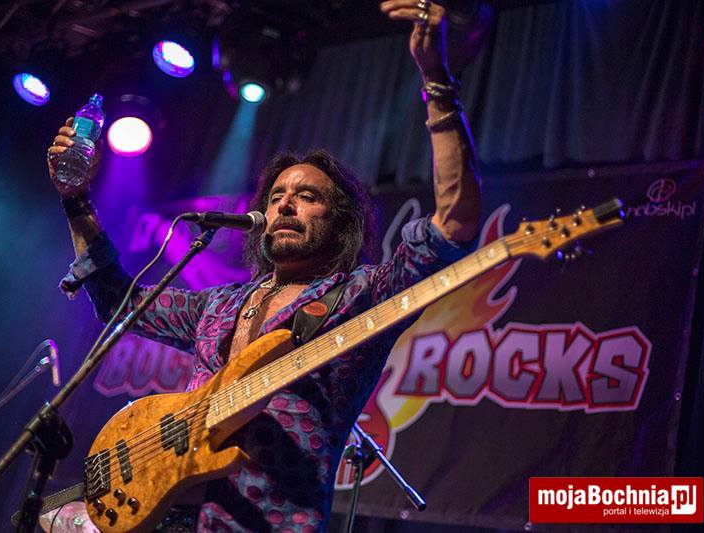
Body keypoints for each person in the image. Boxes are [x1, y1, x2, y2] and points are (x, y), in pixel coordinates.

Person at [47, 1, 481, 531]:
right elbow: (120, 300)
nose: (285, 205)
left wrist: (436, 80)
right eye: (276, 196)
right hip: (173, 514)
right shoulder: (221, 304)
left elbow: (453, 225)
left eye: (307, 197)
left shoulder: (362, 295)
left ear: (340, 222)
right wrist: (76, 199)